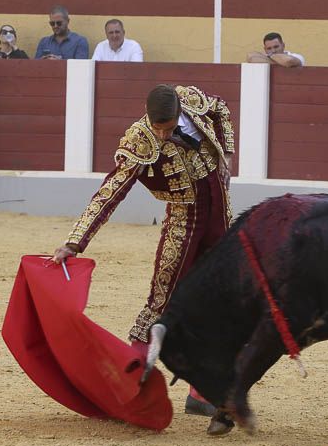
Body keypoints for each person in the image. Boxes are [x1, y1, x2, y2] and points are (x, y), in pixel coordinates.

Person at [50, 83, 235, 419]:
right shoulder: (140, 138)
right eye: (157, 128)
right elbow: (110, 192)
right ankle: (128, 385)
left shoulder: (191, 101)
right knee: (160, 302)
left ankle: (202, 392)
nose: (162, 136)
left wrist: (226, 155)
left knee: (221, 302)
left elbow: (221, 109)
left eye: (167, 128)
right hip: (184, 221)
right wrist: (75, 241)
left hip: (220, 216)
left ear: (180, 112)